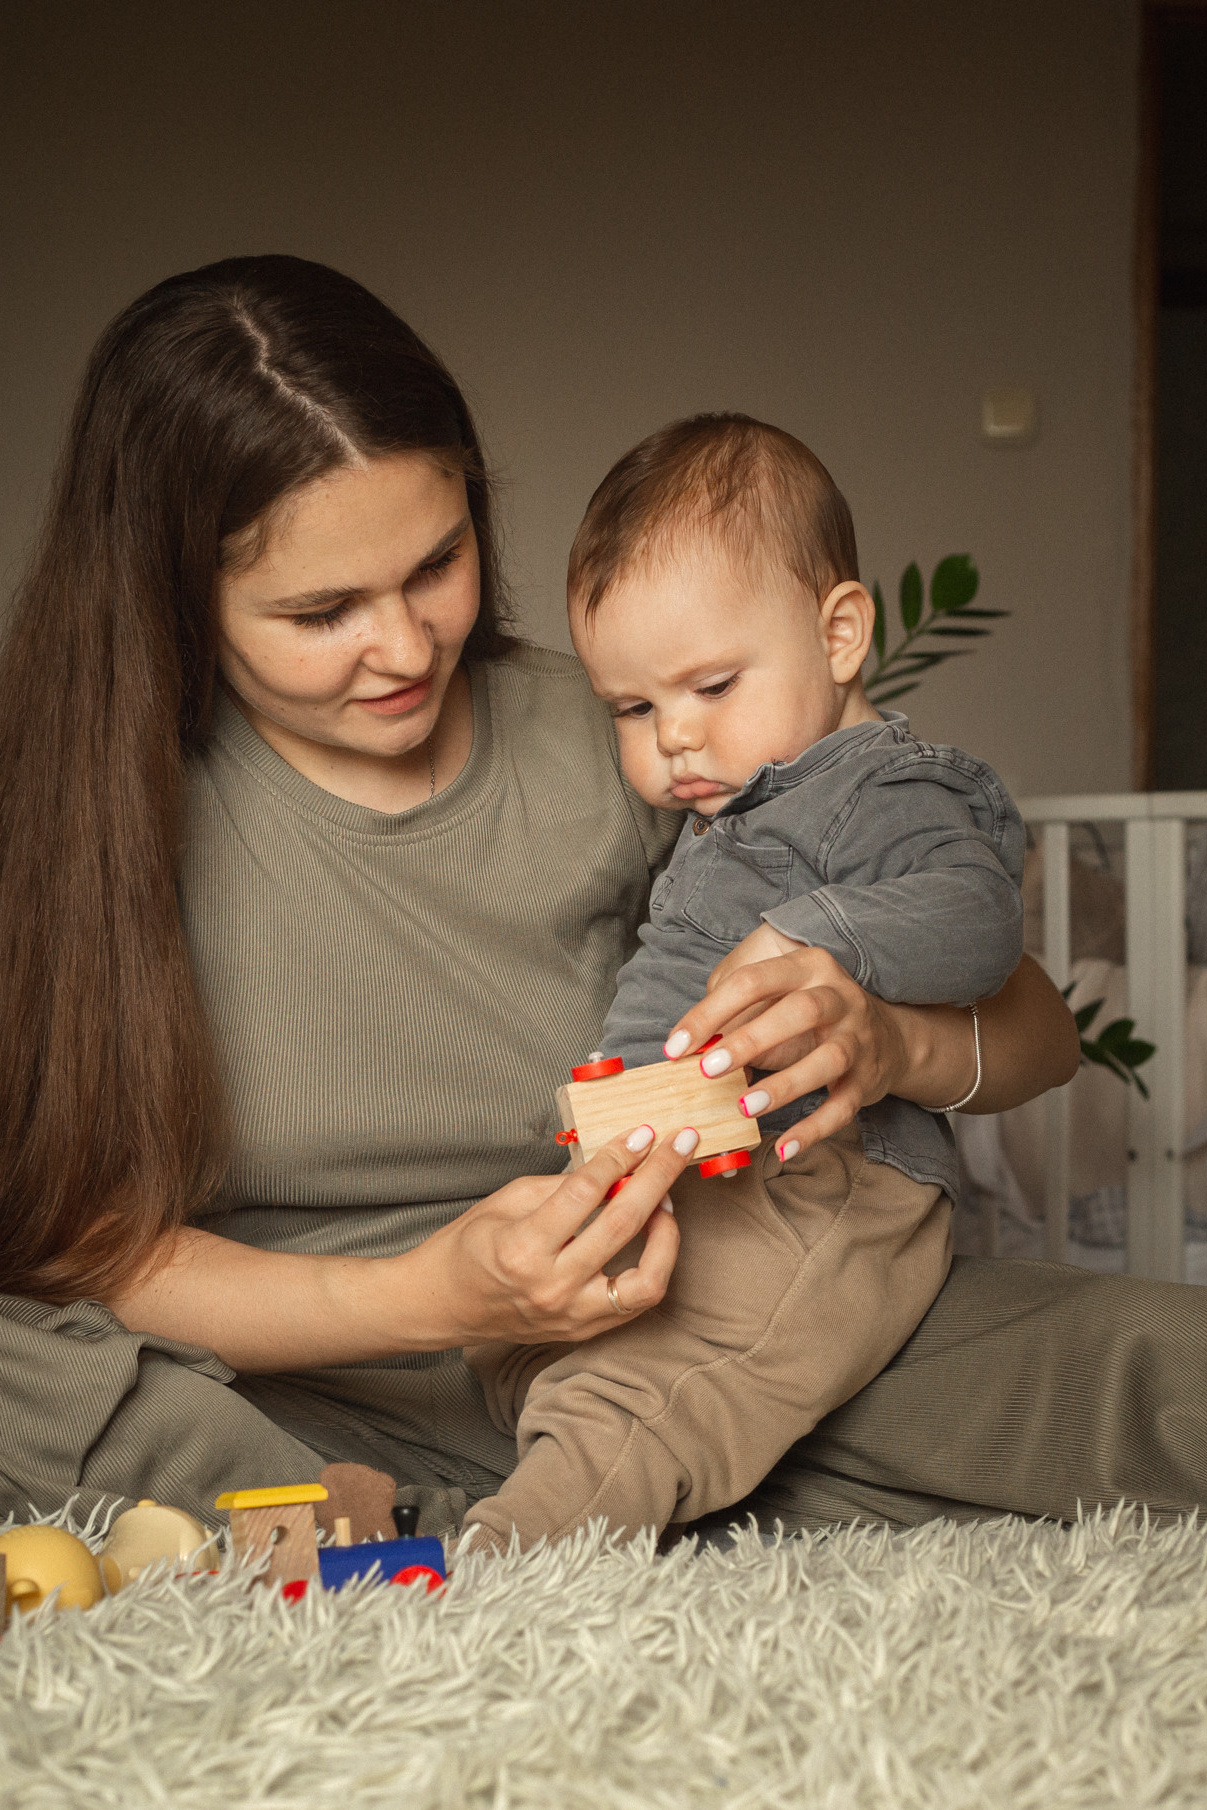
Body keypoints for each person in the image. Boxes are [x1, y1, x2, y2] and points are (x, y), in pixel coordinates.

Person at [0, 255, 1196, 1543]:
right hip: (302, 1382)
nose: (404, 646)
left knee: (1145, 1369)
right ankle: (494, 1514)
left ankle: (477, 1521)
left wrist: (889, 1042)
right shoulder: (92, 813)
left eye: (437, 563)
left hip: (672, 1327)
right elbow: (86, 1251)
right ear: (181, 599)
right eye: (323, 610)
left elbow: (1038, 1034)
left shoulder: (636, 732)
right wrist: (431, 1296)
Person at [462, 415, 1024, 1550]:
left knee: (677, 1378)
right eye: (633, 709)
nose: (673, 736)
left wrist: (816, 937)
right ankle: (570, 1442)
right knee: (527, 1335)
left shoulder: (881, 789)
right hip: (716, 1158)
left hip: (835, 1175)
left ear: (839, 634)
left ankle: (522, 1549)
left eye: (711, 685)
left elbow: (981, 918)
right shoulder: (731, 802)